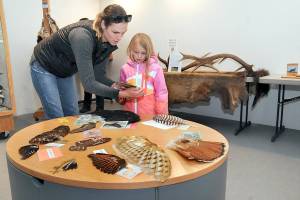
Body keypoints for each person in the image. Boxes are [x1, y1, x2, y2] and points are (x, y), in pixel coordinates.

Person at [30, 4, 144, 119]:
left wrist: (118, 86)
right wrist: (120, 94)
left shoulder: (109, 41)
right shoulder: (82, 37)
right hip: (43, 64)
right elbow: (89, 84)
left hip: (64, 69)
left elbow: (98, 76)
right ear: (103, 24)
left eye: (123, 33)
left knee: (72, 113)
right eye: (115, 32)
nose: (119, 38)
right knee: (56, 115)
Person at [119, 33, 168, 117]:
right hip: (129, 114)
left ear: (148, 52)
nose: (139, 56)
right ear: (131, 50)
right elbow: (122, 89)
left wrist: (162, 114)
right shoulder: (125, 68)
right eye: (136, 52)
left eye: (143, 53)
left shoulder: (156, 69)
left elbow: (161, 93)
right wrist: (122, 98)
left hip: (149, 115)